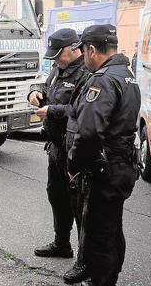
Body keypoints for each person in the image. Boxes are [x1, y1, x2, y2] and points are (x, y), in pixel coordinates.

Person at [66, 24, 140, 286]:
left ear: (92, 50)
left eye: (84, 51)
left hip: (106, 167)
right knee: (111, 226)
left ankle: (102, 280)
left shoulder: (102, 79)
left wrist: (73, 164)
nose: (84, 57)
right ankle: (107, 276)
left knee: (100, 231)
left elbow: (88, 133)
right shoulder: (126, 74)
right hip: (123, 164)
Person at [29, 28, 89, 284]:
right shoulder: (58, 68)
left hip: (73, 149)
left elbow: (80, 109)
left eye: (58, 54)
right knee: (57, 195)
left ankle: (84, 261)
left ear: (74, 49)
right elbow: (45, 84)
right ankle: (61, 243)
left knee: (79, 206)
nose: (54, 60)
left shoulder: (87, 73)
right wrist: (34, 91)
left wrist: (52, 110)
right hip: (55, 146)